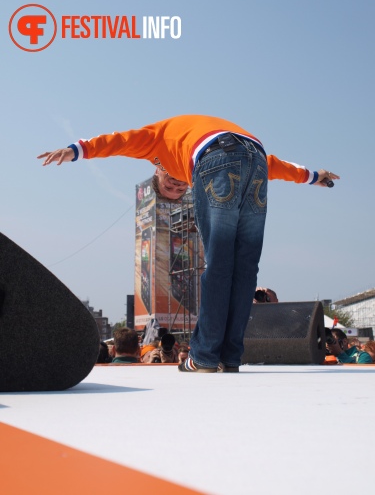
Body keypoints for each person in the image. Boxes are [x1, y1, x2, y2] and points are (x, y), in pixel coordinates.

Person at [38, 114, 339, 373]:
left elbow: (118, 141)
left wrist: (76, 150)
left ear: (157, 169)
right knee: (245, 265)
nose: (179, 184)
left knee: (220, 262)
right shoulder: (193, 153)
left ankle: (204, 355)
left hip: (216, 153)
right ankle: (230, 357)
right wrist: (313, 176)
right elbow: (274, 166)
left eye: (173, 184)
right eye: (179, 187)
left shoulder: (156, 142)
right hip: (254, 156)